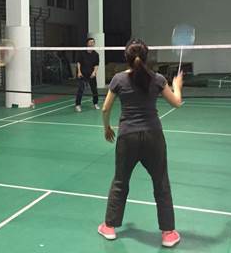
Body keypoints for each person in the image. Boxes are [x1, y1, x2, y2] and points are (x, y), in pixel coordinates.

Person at [97, 39, 183, 248]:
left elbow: (105, 108)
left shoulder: (118, 79)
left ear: (126, 58)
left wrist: (107, 127)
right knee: (161, 182)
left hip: (128, 137)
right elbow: (177, 103)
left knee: (120, 181)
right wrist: (177, 86)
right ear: (146, 57)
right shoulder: (158, 79)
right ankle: (168, 233)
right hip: (154, 137)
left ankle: (109, 227)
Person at [75, 37, 100, 112]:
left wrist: (94, 72)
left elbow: (96, 65)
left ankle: (95, 103)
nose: (92, 43)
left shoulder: (96, 54)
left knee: (94, 90)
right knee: (81, 89)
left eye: (93, 42)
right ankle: (78, 105)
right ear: (87, 43)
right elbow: (79, 63)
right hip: (82, 74)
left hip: (91, 74)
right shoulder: (82, 53)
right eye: (90, 42)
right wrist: (79, 72)